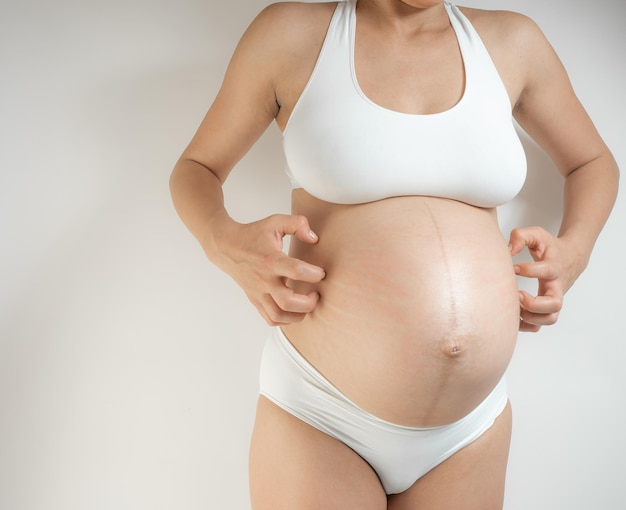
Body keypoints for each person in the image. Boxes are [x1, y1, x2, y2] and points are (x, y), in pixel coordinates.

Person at [169, 0, 619, 508]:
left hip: (469, 432)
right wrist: (222, 243)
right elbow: (196, 167)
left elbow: (593, 162)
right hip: (323, 414)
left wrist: (574, 252)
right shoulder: (292, 34)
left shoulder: (514, 42)